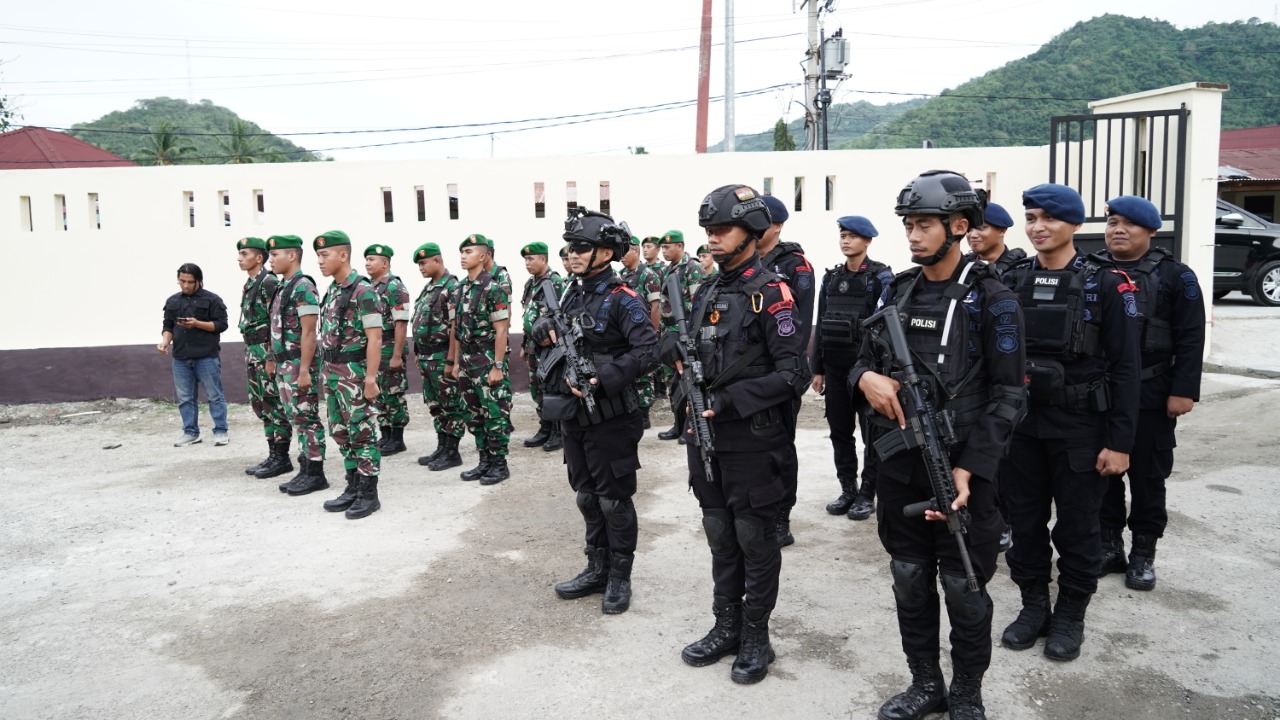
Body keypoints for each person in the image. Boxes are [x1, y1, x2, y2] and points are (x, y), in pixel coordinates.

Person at [852, 171, 1027, 720]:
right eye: (908, 225)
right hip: (900, 463)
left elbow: (1009, 394)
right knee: (909, 579)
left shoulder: (994, 300)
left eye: (924, 224)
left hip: (962, 472)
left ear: (958, 226)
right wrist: (865, 379)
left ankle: (967, 693)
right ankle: (926, 683)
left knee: (964, 587)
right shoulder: (896, 290)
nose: (913, 235)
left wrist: (972, 470)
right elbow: (862, 357)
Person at [998, 184, 1140, 662]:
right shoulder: (1013, 280)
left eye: (1049, 218)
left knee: (1079, 529)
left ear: (1075, 225)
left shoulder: (1107, 284)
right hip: (1023, 427)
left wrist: (1120, 443)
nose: (1038, 227)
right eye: (1031, 217)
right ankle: (1033, 605)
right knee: (1026, 524)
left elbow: (1126, 369)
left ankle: (1070, 614)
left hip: (1081, 427)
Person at [676, 184, 808, 685]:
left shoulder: (771, 292)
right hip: (705, 437)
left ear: (750, 232)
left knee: (754, 538)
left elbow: (793, 373)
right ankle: (725, 625)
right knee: (720, 534)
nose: (712, 237)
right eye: (708, 230)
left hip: (753, 439)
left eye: (721, 229)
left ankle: (757, 636)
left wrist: (729, 401)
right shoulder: (708, 289)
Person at [535, 209, 659, 615]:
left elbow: (647, 351)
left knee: (613, 501)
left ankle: (620, 579)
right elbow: (550, 329)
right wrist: (541, 331)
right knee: (587, 497)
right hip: (574, 414)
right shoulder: (571, 293)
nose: (572, 255)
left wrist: (603, 378)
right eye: (569, 248)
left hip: (610, 415)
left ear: (606, 252)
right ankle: (596, 568)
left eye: (581, 248)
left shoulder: (625, 299)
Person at [1096, 195, 1205, 591]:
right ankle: (1109, 546)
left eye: (1130, 224)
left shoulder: (1177, 276)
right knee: (1102, 473)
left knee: (1147, 477)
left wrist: (1183, 390)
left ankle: (1143, 552)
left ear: (1151, 231)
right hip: (1101, 392)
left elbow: (1192, 337)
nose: (1118, 230)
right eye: (1112, 222)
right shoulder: (1091, 271)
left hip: (1152, 391)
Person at [811, 215, 893, 521]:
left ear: (867, 241)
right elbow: (821, 324)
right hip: (834, 369)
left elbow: (885, 327)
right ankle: (848, 488)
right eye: (843, 235)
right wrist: (817, 369)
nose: (846, 241)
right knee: (840, 433)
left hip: (867, 373)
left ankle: (866, 494)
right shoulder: (831, 278)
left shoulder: (880, 278)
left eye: (853, 236)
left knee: (872, 435)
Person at [963, 202, 1025, 553]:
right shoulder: (965, 270)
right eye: (971, 228)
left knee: (1006, 459)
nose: (974, 234)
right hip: (973, 375)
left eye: (983, 227)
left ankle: (1004, 522)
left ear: (1001, 231)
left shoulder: (1017, 270)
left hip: (1007, 373)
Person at [313, 230, 385, 520]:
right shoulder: (333, 290)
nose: (319, 261)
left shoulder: (363, 291)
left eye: (324, 254)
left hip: (354, 375)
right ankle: (353, 485)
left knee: (362, 432)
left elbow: (375, 338)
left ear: (343, 255)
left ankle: (369, 493)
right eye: (318, 255)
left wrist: (370, 379)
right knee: (340, 432)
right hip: (332, 374)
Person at [758, 193, 816, 547]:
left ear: (777, 225)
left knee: (780, 447)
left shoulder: (796, 266)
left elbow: (800, 323)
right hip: (747, 372)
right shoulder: (743, 262)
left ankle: (781, 516)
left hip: (781, 371)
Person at [265, 235, 330, 496]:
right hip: (284, 364)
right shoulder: (284, 286)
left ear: (292, 256)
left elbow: (308, 332)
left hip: (297, 364)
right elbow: (276, 328)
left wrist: (304, 370)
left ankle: (315, 473)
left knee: (307, 418)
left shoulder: (303, 286)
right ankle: (304, 468)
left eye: (275, 255)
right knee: (296, 418)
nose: (271, 260)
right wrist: (272, 358)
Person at [447, 234, 514, 485]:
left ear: (483, 256)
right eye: (462, 252)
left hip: (486, 358)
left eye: (469, 252)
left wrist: (497, 365)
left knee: (494, 412)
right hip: (466, 359)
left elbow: (502, 330)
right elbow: (456, 329)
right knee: (473, 414)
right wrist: (454, 363)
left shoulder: (493, 288)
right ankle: (484, 460)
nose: (464, 256)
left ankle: (499, 464)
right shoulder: (460, 288)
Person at [236, 237, 293, 478]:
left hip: (265, 351)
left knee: (273, 403)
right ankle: (273, 454)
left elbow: (275, 321)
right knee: (262, 404)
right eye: (239, 253)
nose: (239, 257)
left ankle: (282, 457)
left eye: (244, 253)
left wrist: (271, 356)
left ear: (258, 258)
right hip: (253, 352)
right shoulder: (251, 284)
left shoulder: (268, 282)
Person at [159, 263, 230, 447]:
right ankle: (190, 432)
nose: (186, 285)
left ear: (199, 281)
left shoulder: (213, 300)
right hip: (181, 357)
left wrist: (197, 324)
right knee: (185, 398)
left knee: (214, 395)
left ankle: (221, 431)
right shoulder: (173, 301)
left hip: (207, 356)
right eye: (182, 281)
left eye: (190, 282)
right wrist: (165, 342)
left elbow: (221, 325)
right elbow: (168, 326)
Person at [411, 242, 467, 472]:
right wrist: (417, 352)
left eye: (423, 263)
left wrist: (452, 361)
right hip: (427, 357)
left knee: (451, 404)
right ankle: (442, 447)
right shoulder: (430, 288)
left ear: (437, 260)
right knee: (436, 405)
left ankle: (452, 452)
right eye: (418, 264)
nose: (420, 268)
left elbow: (455, 326)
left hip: (442, 356)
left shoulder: (451, 286)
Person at [656, 229, 706, 443]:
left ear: (680, 246)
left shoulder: (693, 268)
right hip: (669, 333)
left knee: (686, 381)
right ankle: (677, 425)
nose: (664, 251)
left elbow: (698, 303)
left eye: (668, 247)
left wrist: (670, 312)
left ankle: (690, 425)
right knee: (672, 382)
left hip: (685, 332)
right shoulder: (667, 270)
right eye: (663, 248)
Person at [519, 241, 567, 452]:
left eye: (531, 259)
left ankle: (558, 430)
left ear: (544, 259)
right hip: (533, 346)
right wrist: (523, 343)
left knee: (551, 387)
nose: (527, 263)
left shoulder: (554, 282)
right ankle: (545, 426)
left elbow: (561, 315)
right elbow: (527, 315)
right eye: (526, 260)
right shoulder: (531, 284)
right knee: (536, 387)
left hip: (549, 347)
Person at [364, 244, 412, 456]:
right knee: (379, 396)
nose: (367, 263)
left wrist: (396, 355)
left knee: (393, 395)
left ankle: (397, 438)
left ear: (385, 263)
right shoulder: (370, 288)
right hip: (376, 353)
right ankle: (385, 436)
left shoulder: (394, 287)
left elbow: (401, 323)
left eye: (372, 259)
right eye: (366, 259)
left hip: (390, 349)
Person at [619, 235, 664, 429]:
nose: (621, 256)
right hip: (625, 334)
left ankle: (644, 413)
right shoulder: (621, 275)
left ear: (635, 251)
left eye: (625, 251)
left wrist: (652, 335)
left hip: (643, 333)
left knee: (644, 374)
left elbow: (655, 307)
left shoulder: (648, 275)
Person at [965, 202, 1027, 277]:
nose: (973, 235)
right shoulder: (963, 266)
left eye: (981, 228)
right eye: (969, 229)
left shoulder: (1019, 270)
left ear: (1002, 231)